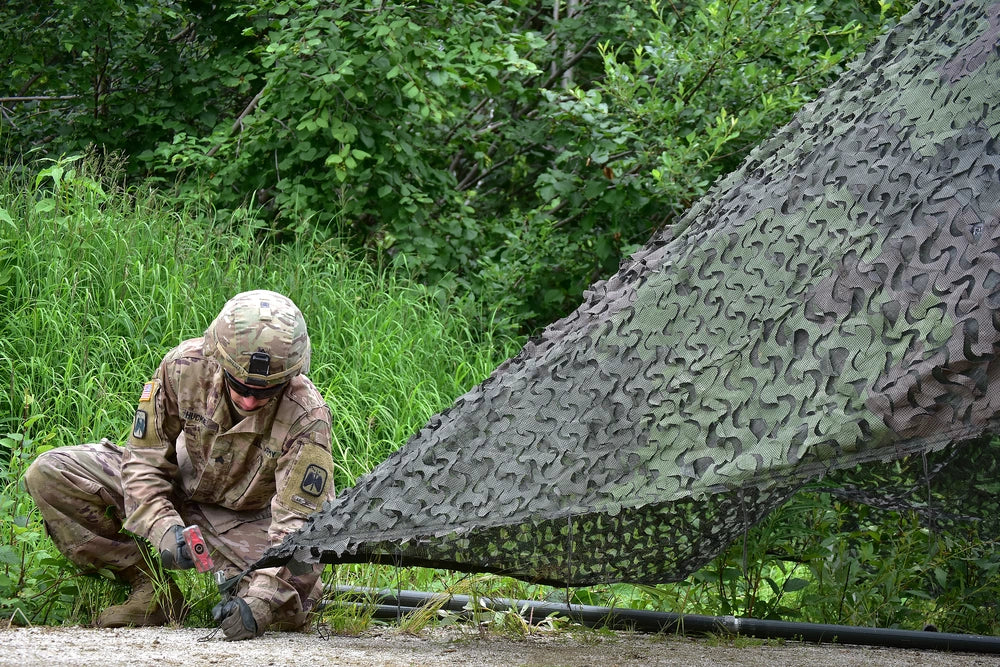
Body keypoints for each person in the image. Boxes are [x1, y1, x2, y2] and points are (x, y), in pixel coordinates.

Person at [24, 290, 335, 640]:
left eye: (264, 392)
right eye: (240, 385)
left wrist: (262, 602)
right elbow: (143, 459)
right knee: (51, 473)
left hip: (244, 520)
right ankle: (151, 590)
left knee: (288, 606)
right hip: (175, 487)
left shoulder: (307, 415)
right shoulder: (182, 367)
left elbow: (303, 525)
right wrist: (163, 527)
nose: (249, 400)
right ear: (219, 360)